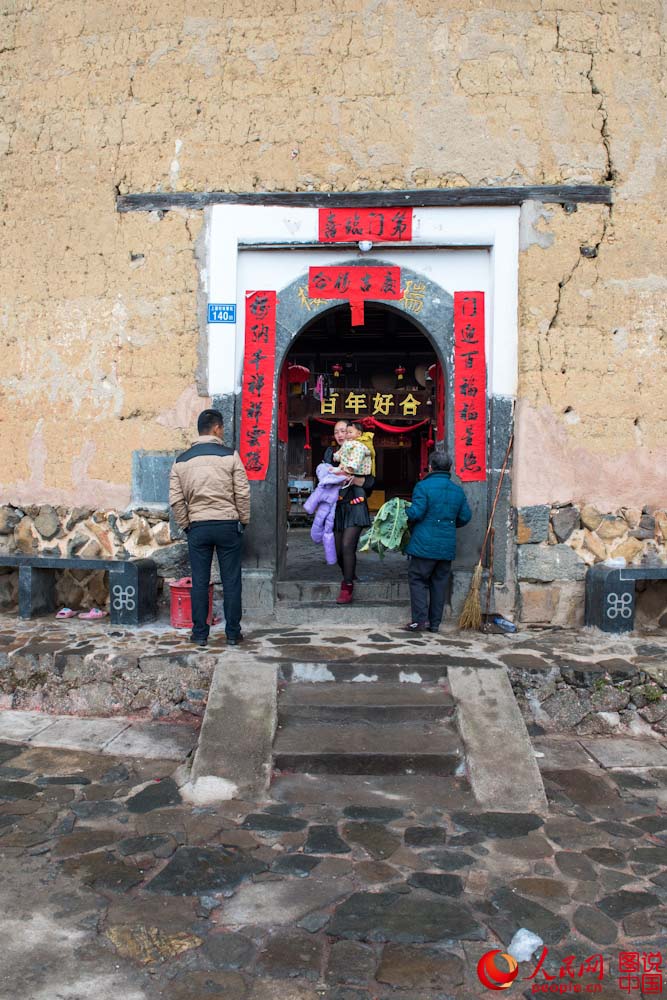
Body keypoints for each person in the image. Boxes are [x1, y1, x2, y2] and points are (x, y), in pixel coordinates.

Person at [169, 409, 250, 647]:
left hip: (198, 527)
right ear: (216, 428)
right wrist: (242, 520)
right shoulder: (230, 456)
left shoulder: (181, 461)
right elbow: (243, 493)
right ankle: (233, 633)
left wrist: (186, 525)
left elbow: (176, 499)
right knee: (232, 580)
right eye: (222, 428)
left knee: (200, 580)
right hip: (227, 524)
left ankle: (200, 633)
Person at [403, 450, 471, 633]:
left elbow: (416, 513)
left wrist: (403, 513)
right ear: (449, 468)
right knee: (439, 583)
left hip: (424, 545)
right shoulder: (457, 490)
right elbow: (465, 517)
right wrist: (448, 524)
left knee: (417, 580)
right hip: (446, 545)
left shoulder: (423, 487)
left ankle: (419, 621)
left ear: (430, 467)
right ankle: (434, 624)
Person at [323, 420, 375, 604]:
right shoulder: (332, 453)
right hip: (337, 506)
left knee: (347, 546)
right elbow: (323, 475)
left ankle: (347, 586)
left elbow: (370, 483)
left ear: (352, 433)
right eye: (336, 431)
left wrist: (351, 478)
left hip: (356, 504)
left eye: (343, 431)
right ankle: (350, 574)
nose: (340, 435)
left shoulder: (362, 450)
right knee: (337, 551)